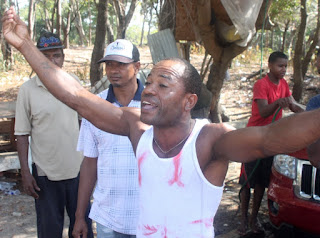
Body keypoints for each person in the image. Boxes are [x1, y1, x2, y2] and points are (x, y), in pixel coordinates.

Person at [3, 8, 320, 237]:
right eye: (150, 81)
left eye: (163, 85)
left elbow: (268, 138)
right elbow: (76, 96)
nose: (150, 90)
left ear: (189, 101)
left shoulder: (209, 140)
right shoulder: (136, 128)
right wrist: (25, 46)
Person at [13, 31, 93, 238]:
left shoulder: (73, 82)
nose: (52, 61)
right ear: (36, 59)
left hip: (77, 172)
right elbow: (22, 134)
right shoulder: (28, 90)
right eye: (45, 56)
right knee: (50, 231)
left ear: (63, 58)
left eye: (56, 55)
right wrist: (25, 172)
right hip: (45, 175)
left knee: (82, 229)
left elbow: (86, 123)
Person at [73, 39, 143, 238]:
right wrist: (80, 216)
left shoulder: (154, 105)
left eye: (121, 64)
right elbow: (89, 163)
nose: (113, 70)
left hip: (147, 217)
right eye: (109, 64)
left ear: (137, 67)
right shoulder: (95, 108)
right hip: (108, 219)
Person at [238, 51, 305, 235]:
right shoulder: (261, 84)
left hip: (271, 140)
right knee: (247, 180)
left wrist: (309, 113)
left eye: (285, 66)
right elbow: (263, 111)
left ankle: (254, 219)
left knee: (261, 182)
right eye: (280, 66)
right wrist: (277, 104)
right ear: (270, 65)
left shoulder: (283, 84)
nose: (283, 69)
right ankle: (243, 219)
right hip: (254, 137)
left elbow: (293, 104)